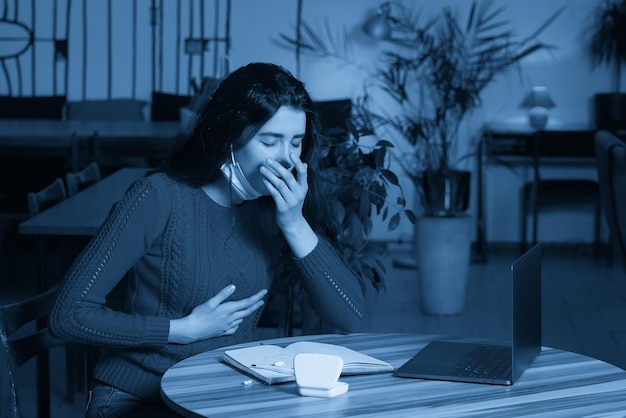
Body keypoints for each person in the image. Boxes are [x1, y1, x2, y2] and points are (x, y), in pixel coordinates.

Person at [49, 62, 365, 417]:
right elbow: (68, 315)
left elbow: (349, 316)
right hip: (139, 397)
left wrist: (294, 222)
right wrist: (180, 330)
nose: (287, 159)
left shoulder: (272, 209)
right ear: (229, 135)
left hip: (221, 397)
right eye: (269, 140)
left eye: (296, 142)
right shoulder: (157, 197)